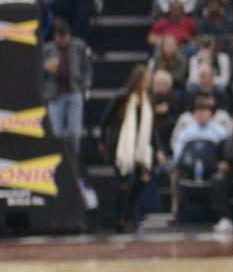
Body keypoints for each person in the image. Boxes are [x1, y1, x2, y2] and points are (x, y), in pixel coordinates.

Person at [99, 66, 163, 231]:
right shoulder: (123, 97)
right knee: (124, 184)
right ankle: (121, 220)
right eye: (145, 80)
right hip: (121, 147)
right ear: (138, 80)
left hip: (139, 149)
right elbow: (105, 119)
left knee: (143, 181)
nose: (147, 84)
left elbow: (152, 129)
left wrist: (159, 149)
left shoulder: (148, 100)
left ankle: (129, 216)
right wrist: (102, 141)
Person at [41, 18, 94, 153]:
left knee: (74, 133)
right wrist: (44, 67)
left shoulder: (79, 46)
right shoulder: (47, 49)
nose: (62, 42)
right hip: (55, 95)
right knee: (55, 133)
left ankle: (74, 162)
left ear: (69, 35)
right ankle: (56, 160)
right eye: (59, 38)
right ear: (55, 37)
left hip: (74, 93)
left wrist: (84, 87)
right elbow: (35, 69)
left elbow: (87, 68)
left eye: (65, 38)